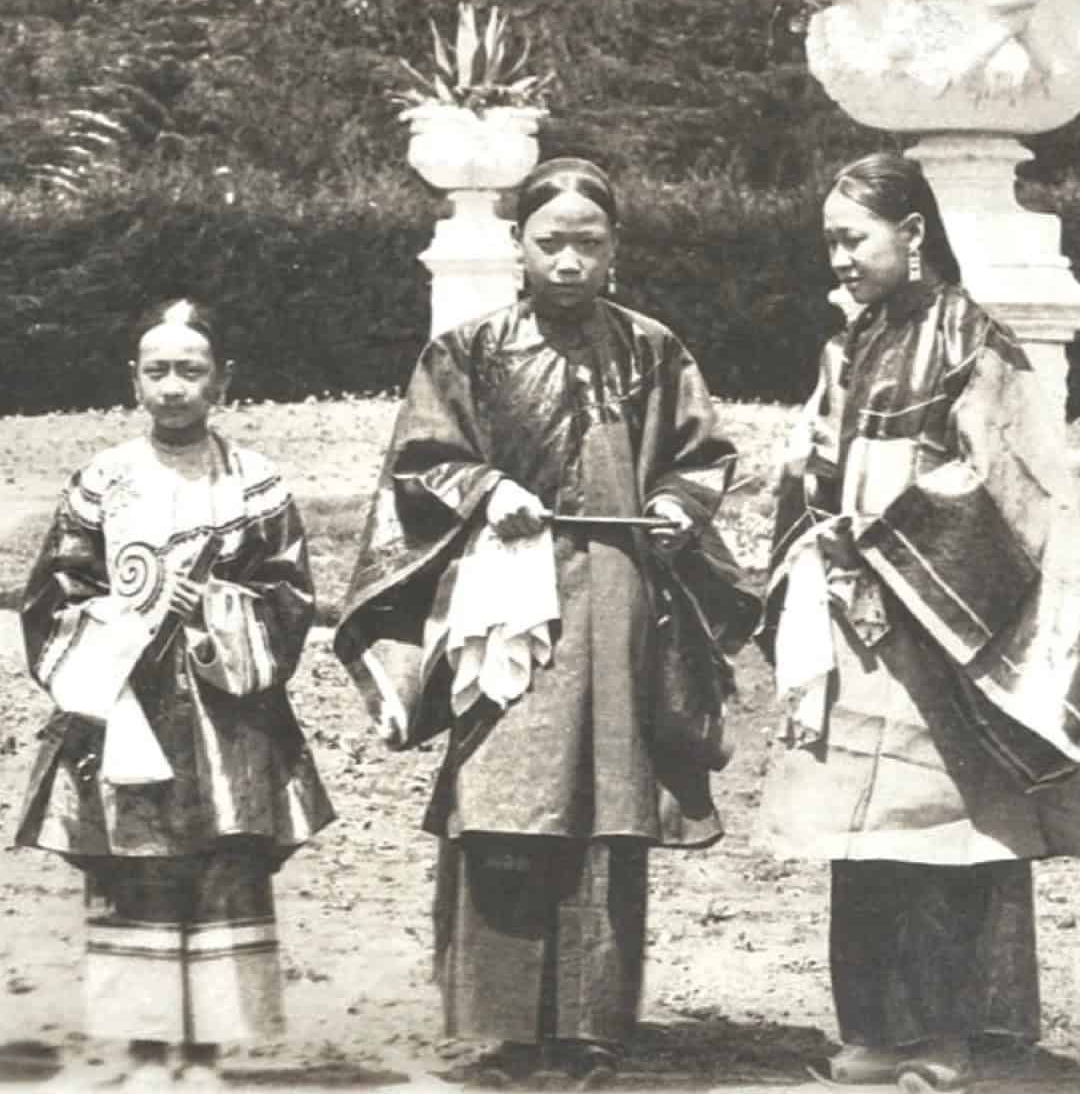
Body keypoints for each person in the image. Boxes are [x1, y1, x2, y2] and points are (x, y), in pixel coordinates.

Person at [335, 157, 757, 1088]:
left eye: (589, 243)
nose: (569, 261)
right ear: (519, 247)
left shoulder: (654, 350)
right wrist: (486, 491)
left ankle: (591, 1027)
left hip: (617, 597)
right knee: (505, 790)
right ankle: (497, 1026)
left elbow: (703, 453)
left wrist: (683, 502)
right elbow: (422, 456)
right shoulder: (469, 351)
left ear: (617, 251)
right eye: (550, 242)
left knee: (607, 796)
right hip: (506, 595)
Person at [758, 153, 1080, 1092]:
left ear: (914, 234)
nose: (841, 258)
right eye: (830, 240)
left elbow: (1008, 482)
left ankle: (950, 1032)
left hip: (943, 624)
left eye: (854, 237)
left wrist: (872, 488)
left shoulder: (975, 341)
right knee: (859, 835)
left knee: (946, 831)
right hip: (863, 618)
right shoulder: (851, 342)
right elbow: (828, 460)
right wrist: (808, 464)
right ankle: (874, 1026)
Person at [16, 298, 335, 1088]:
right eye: (156, 370)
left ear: (222, 380)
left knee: (225, 858)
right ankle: (147, 1045)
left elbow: (289, 595)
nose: (172, 387)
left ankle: (210, 1050)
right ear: (133, 379)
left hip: (226, 713)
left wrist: (219, 611)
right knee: (134, 861)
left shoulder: (255, 481)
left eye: (190, 370)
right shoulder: (103, 479)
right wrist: (115, 616)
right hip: (127, 705)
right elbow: (54, 592)